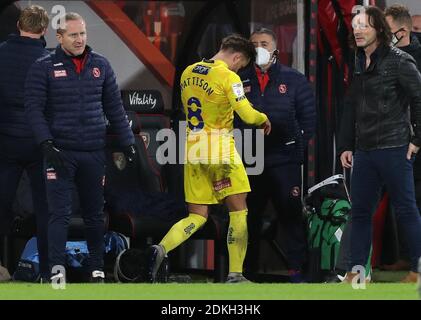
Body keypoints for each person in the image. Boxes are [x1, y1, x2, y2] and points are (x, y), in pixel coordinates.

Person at [148, 34, 271, 283]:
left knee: (197, 216)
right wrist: (263, 118)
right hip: (220, 151)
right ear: (236, 56)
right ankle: (236, 274)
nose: (239, 69)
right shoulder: (228, 76)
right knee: (238, 211)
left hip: (193, 151)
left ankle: (159, 249)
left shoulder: (188, 72)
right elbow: (246, 114)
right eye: (241, 64)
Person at [24, 12, 136, 283]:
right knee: (58, 215)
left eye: (83, 34)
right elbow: (34, 109)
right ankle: (56, 270)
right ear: (59, 37)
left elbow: (114, 108)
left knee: (94, 214)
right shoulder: (43, 67)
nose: (79, 39)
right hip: (59, 153)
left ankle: (97, 268)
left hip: (93, 152)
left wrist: (127, 142)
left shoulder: (102, 65)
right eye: (73, 35)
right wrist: (46, 143)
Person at [338, 6, 421, 283]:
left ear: (379, 30)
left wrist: (416, 139)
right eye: (356, 26)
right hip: (364, 150)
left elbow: (419, 98)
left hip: (395, 148)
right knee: (360, 212)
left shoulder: (400, 60)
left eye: (365, 25)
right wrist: (346, 145)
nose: (358, 30)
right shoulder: (358, 60)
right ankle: (357, 273)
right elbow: (351, 105)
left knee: (406, 209)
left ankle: (418, 271)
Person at [238, 28, 316, 282]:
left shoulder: (295, 80)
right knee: (247, 218)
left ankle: (297, 271)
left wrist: (295, 148)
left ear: (275, 50)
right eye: (254, 43)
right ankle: (244, 272)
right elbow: (232, 119)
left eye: (264, 43)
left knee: (290, 214)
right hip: (250, 162)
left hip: (284, 160)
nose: (258, 47)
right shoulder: (237, 79)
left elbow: (309, 121)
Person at [0, 5, 50, 281]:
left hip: (5, 142)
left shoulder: (1, 54)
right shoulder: (49, 61)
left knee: (1, 203)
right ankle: (47, 269)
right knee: (45, 207)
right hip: (37, 143)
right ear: (43, 30)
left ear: (19, 25)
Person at [380, 4, 421, 272]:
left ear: (402, 31)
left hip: (415, 139)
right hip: (393, 139)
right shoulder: (381, 57)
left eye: (386, 31)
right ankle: (408, 257)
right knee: (403, 200)